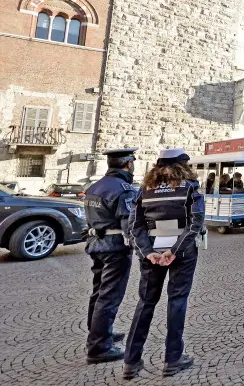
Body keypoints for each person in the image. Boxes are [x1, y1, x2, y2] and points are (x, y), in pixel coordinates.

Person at [123, 148, 204, 379]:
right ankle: (173, 359)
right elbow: (194, 224)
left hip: (152, 252)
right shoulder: (189, 188)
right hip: (182, 254)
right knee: (177, 301)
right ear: (184, 166)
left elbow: (135, 226)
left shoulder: (145, 190)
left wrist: (148, 253)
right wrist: (174, 252)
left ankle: (130, 361)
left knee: (145, 303)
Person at [83, 147, 139, 364]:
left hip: (96, 244)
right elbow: (129, 224)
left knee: (98, 292)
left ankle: (98, 332)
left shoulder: (95, 186)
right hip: (115, 248)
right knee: (109, 296)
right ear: (128, 164)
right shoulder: (123, 189)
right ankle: (99, 346)